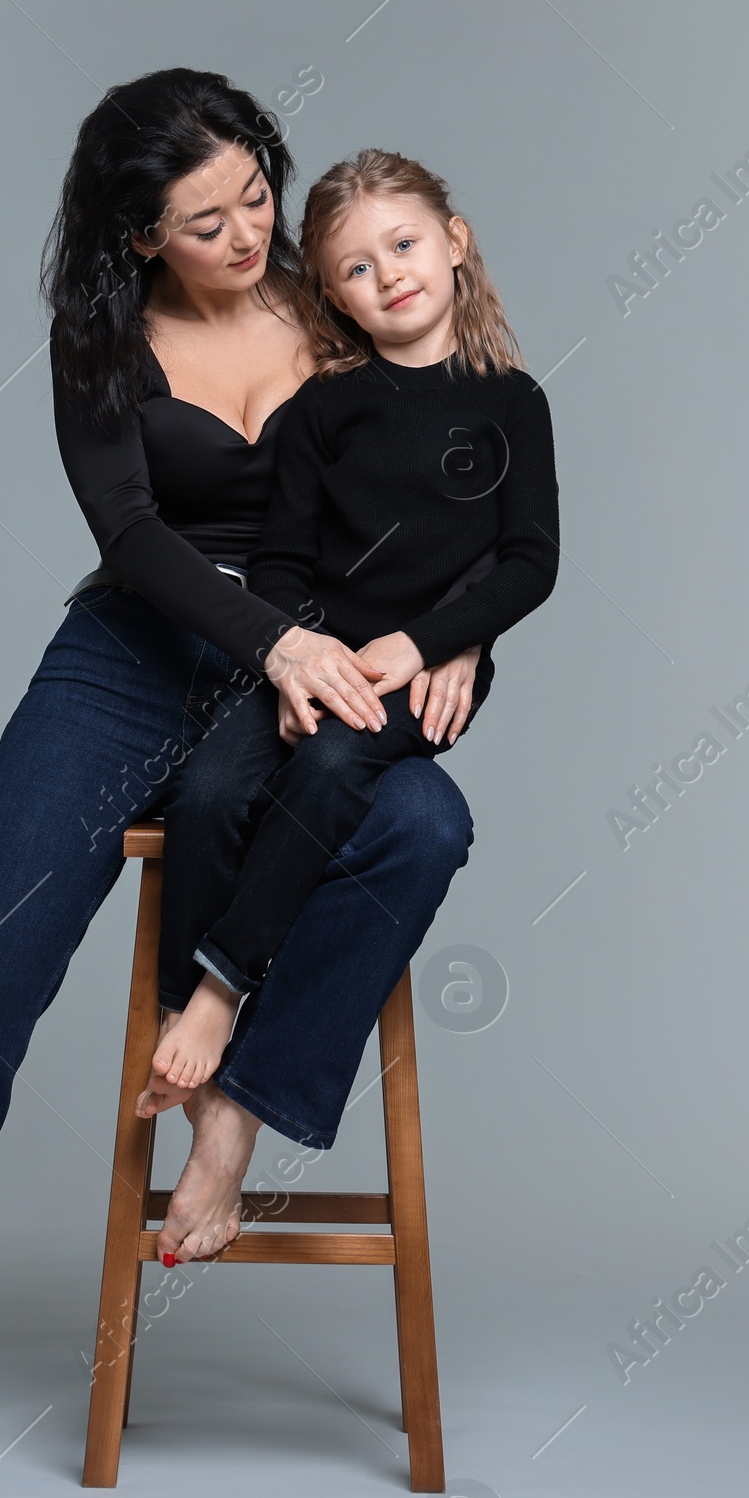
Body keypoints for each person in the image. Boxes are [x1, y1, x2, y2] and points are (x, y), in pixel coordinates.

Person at [0, 73, 480, 1490]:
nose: (252, 230)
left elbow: (454, 475)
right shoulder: (103, 344)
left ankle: (238, 1101)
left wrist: (464, 635)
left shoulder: (331, 303)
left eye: (259, 193)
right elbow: (133, 535)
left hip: (322, 670)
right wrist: (274, 642)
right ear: (140, 236)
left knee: (428, 824)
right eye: (208, 221)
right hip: (137, 663)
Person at [151, 148, 560, 1100]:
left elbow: (530, 560)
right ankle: (181, 1016)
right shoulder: (323, 409)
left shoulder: (513, 403)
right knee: (210, 787)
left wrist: (430, 641)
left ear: (455, 242)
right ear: (334, 298)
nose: (392, 275)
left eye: (405, 243)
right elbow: (282, 562)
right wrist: (304, 665)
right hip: (314, 654)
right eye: (358, 269)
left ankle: (218, 989)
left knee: (335, 766)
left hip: (418, 671)